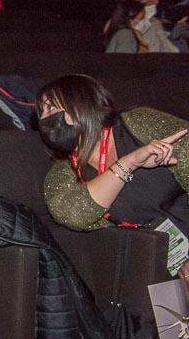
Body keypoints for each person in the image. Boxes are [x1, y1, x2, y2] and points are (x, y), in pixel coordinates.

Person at [37, 74, 189, 293]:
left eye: (51, 108)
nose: (44, 118)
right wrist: (129, 162)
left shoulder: (136, 123)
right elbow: (73, 214)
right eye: (41, 112)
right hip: (154, 261)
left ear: (81, 101)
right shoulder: (63, 169)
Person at [105, 0, 181, 54]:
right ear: (130, 20)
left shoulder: (132, 33)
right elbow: (125, 64)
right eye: (141, 18)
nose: (145, 20)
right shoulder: (125, 35)